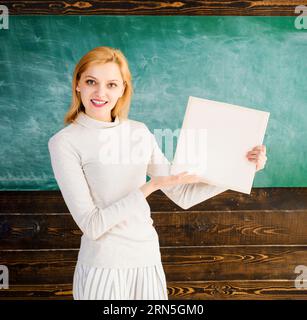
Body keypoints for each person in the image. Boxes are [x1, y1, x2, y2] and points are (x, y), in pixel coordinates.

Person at [48, 46, 267, 300]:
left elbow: (183, 195)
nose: (100, 92)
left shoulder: (139, 132)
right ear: (77, 85)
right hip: (103, 267)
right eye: (91, 82)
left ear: (122, 90)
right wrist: (149, 187)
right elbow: (93, 225)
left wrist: (243, 167)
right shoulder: (65, 142)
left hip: (147, 262)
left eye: (111, 84)